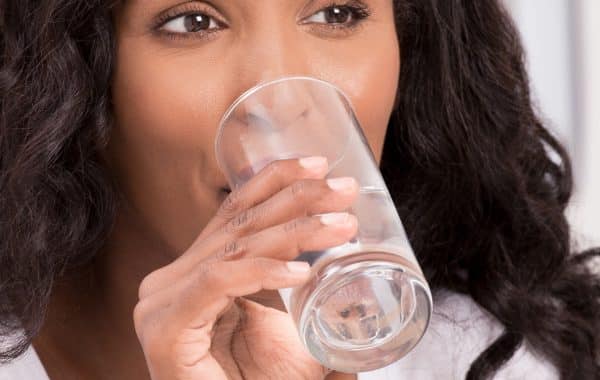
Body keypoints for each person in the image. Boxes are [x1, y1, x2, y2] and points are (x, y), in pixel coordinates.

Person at [1, 0, 598, 379]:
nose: (279, 96)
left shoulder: (508, 361)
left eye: (337, 13)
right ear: (74, 72)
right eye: (193, 21)